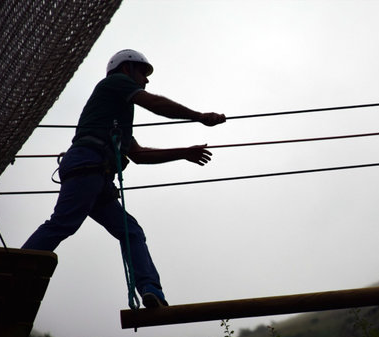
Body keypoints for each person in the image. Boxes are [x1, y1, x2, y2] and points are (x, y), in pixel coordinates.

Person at [22, 49, 226, 308]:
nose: (147, 80)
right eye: (143, 72)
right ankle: (15, 268)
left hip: (97, 175)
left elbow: (138, 155)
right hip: (88, 164)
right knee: (63, 223)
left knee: (131, 232)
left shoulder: (116, 117)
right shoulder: (115, 82)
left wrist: (184, 153)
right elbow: (154, 103)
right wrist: (198, 117)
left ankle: (151, 291)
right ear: (127, 69)